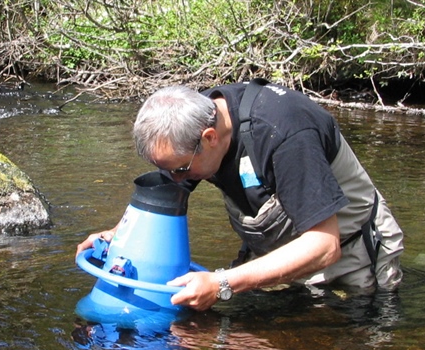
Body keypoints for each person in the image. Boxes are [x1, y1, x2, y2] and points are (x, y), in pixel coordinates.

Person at [76, 79, 404, 311]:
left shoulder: (285, 133)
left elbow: (324, 246)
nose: (176, 178)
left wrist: (221, 283)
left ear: (209, 138)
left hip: (350, 251)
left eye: (179, 169)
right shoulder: (191, 124)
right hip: (279, 252)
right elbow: (164, 193)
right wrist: (118, 234)